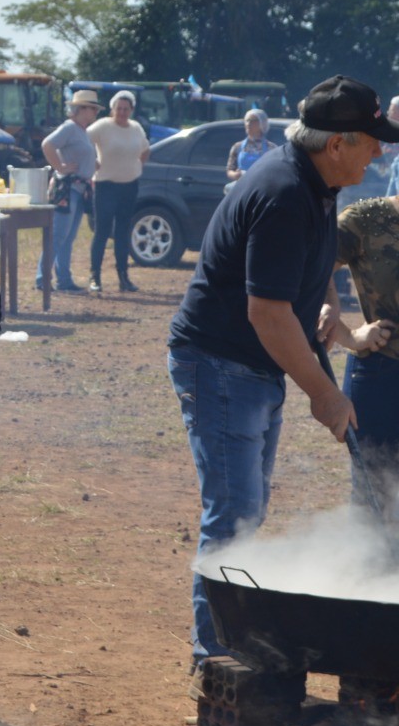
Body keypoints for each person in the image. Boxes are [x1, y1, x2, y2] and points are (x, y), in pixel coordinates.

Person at [168, 74, 392, 672]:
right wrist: (323, 392)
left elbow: (308, 270)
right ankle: (214, 654)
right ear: (338, 143)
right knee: (234, 512)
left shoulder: (316, 187)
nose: (381, 151)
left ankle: (229, 640)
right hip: (220, 362)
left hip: (250, 366)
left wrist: (327, 307)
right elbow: (265, 312)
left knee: (248, 507)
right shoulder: (286, 192)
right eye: (373, 140)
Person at [320, 194, 399, 507]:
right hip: (383, 374)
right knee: (375, 501)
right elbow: (309, 269)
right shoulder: (366, 218)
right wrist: (350, 336)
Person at [36, 88, 100, 294]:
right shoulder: (70, 127)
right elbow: (48, 144)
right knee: (59, 235)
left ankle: (63, 279)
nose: (95, 113)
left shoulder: (81, 131)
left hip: (79, 189)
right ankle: (42, 279)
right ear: (82, 109)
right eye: (93, 108)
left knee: (67, 236)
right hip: (68, 188)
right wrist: (60, 167)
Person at [86, 89, 149, 293]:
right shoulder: (103, 126)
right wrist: (91, 161)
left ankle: (123, 276)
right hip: (106, 185)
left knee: (123, 232)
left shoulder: (136, 128)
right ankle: (95, 276)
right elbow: (83, 141)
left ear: (131, 110)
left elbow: (145, 149)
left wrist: (137, 167)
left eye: (125, 108)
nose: (122, 112)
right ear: (112, 109)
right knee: (102, 231)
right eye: (118, 108)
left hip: (129, 186)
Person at [227, 108, 277, 181]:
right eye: (247, 120)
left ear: (262, 123)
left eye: (253, 121)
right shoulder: (237, 146)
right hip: (242, 187)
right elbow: (230, 169)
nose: (249, 123)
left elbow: (276, 172)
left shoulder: (271, 148)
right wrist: (235, 175)